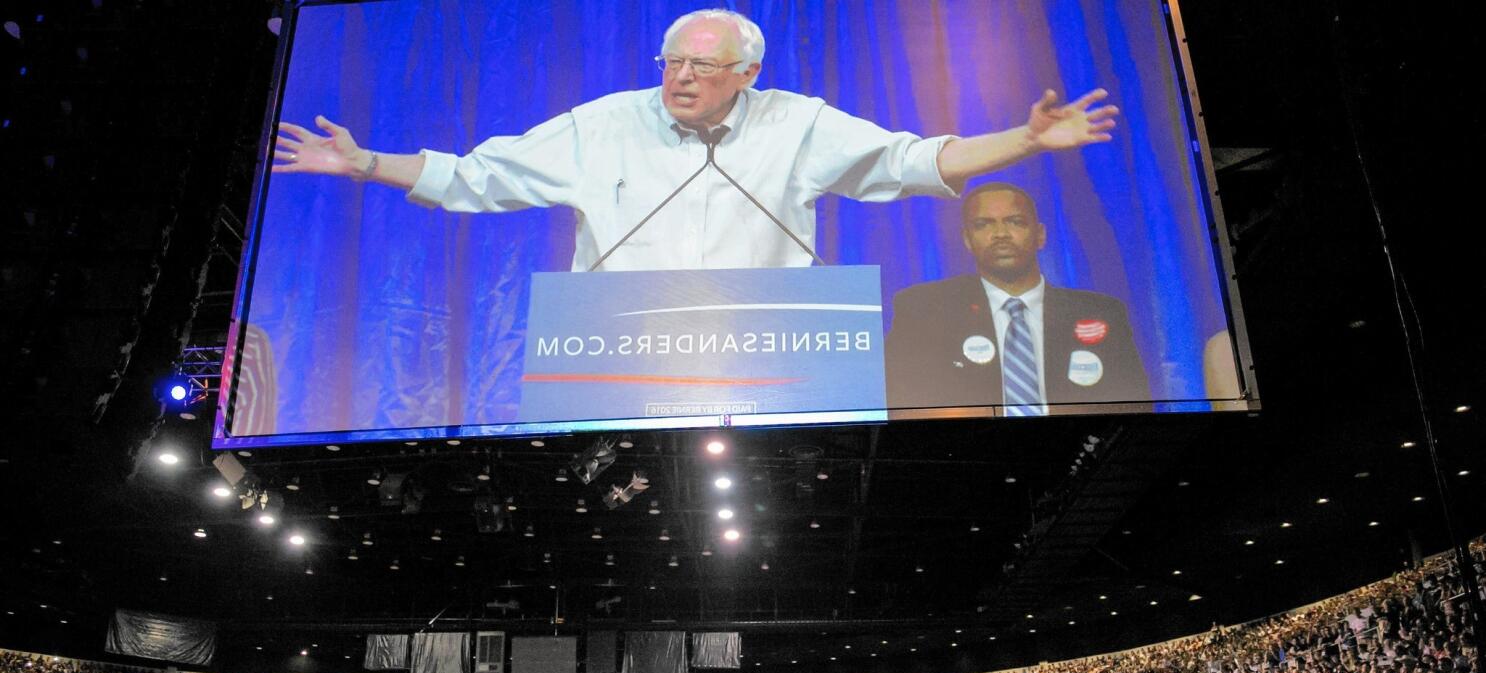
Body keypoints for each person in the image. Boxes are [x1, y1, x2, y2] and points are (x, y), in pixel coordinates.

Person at [272, 9, 1118, 272]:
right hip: (618, 357)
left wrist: (1028, 141)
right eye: (671, 61)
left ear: (745, 73)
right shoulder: (604, 122)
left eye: (702, 66)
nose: (680, 77)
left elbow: (918, 161)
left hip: (769, 360)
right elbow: (474, 177)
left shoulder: (799, 121)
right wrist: (363, 162)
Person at [885, 182, 1151, 415]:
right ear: (967, 239)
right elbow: (901, 405)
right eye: (983, 224)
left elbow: (1135, 408)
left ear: (1040, 235)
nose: (1000, 234)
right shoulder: (923, 310)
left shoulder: (1102, 312)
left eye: (1015, 221)